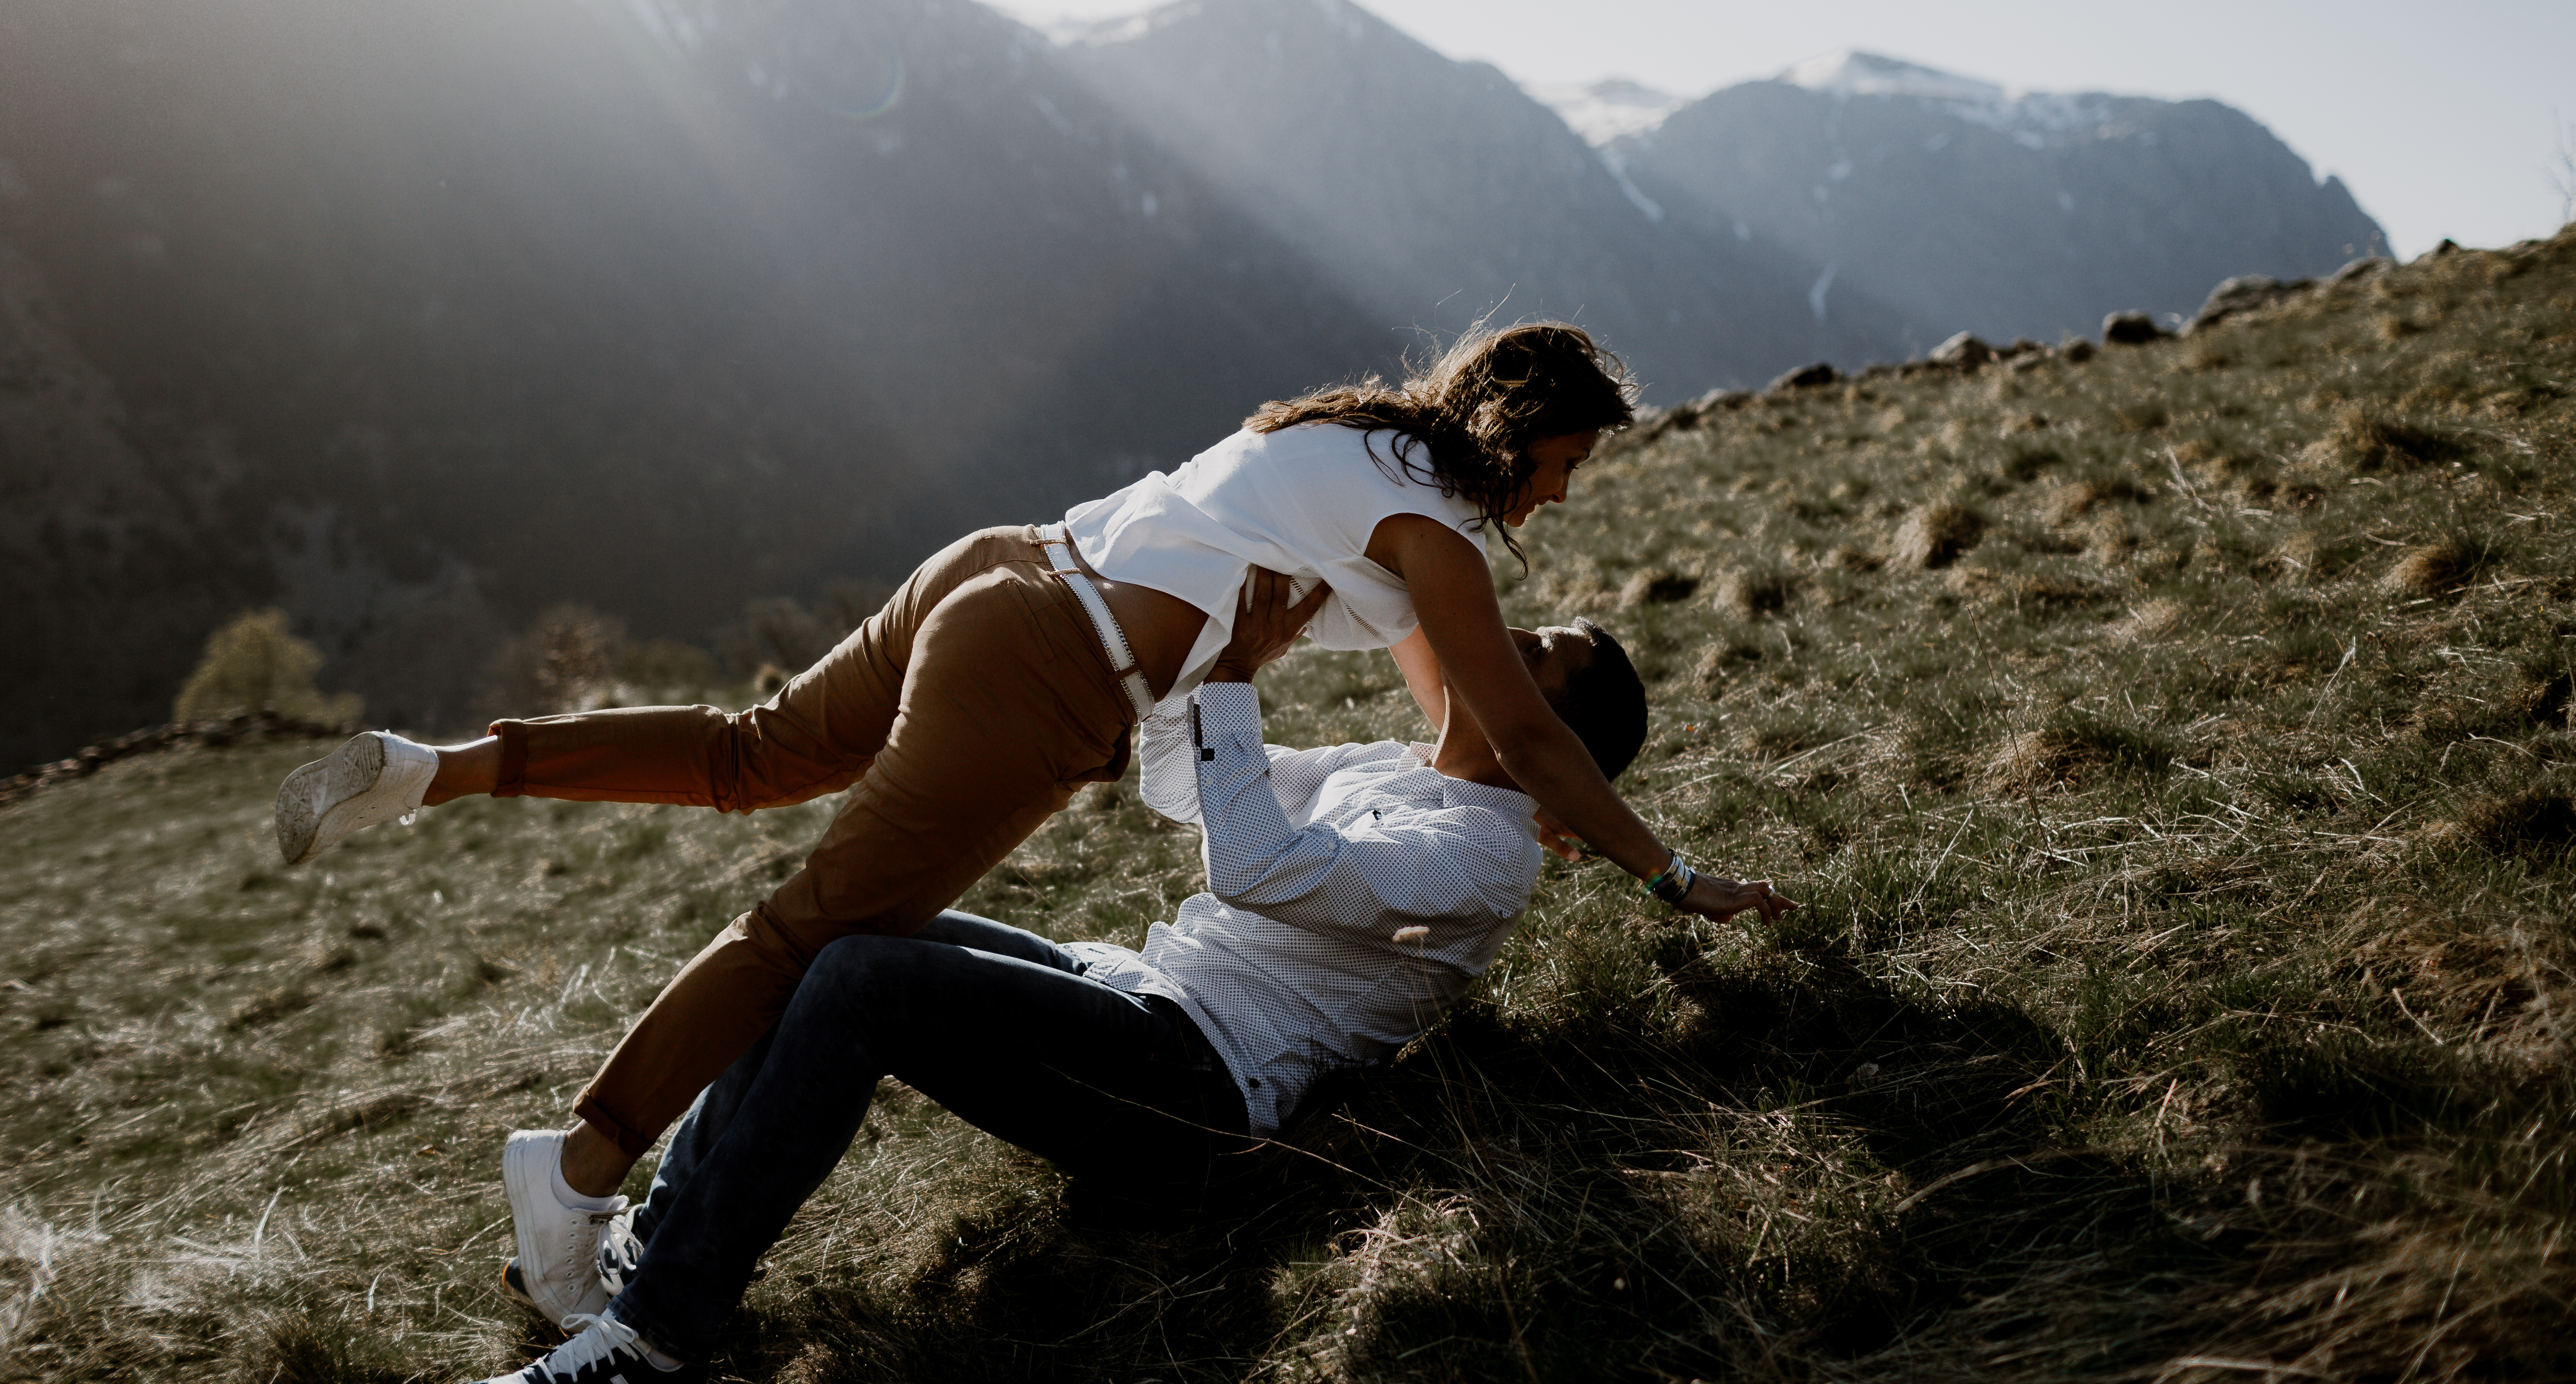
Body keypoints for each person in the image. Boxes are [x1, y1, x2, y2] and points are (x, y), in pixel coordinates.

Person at [273, 321, 1784, 1322]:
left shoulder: (1364, 449)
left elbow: (1457, 732)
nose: (1565, 502)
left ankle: (436, 767)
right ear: (1524, 438)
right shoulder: (1443, 533)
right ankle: (583, 1170)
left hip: (1003, 566)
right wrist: (1670, 872)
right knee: (812, 935)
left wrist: (1497, 793)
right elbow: (1515, 727)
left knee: (754, 754)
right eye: (1571, 467)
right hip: (1058, 667)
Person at [467, 578, 1794, 1384]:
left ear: (1547, 739)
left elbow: (1259, 870)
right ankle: (649, 1250)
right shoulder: (1405, 770)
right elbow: (1189, 791)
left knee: (866, 980)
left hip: (1199, 1094)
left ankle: (655, 1338)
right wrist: (1203, 660)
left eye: (1530, 659)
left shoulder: (1482, 858)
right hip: (1139, 998)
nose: (1492, 645)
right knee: (844, 932)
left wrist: (1229, 689)